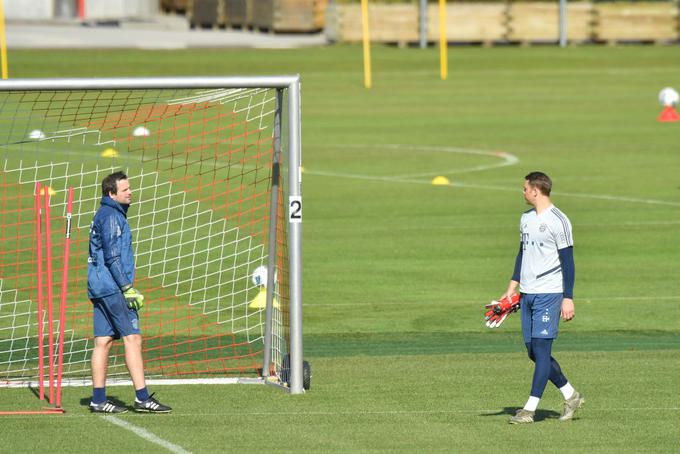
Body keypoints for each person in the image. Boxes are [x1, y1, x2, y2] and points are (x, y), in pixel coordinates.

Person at [501, 171, 584, 424]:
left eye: (525, 188)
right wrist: (512, 287)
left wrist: (567, 298)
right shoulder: (525, 219)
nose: (523, 192)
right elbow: (521, 254)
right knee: (534, 352)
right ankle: (571, 395)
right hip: (527, 293)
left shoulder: (559, 221)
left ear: (536, 191)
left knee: (542, 348)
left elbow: (568, 263)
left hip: (550, 293)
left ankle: (529, 409)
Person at [87, 171, 171, 414]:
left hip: (98, 285)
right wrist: (127, 288)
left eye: (129, 188)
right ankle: (143, 398)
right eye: (125, 190)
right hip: (112, 286)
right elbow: (113, 257)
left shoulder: (104, 214)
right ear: (112, 194)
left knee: (102, 342)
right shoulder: (113, 217)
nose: (130, 192)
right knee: (133, 338)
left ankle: (98, 399)